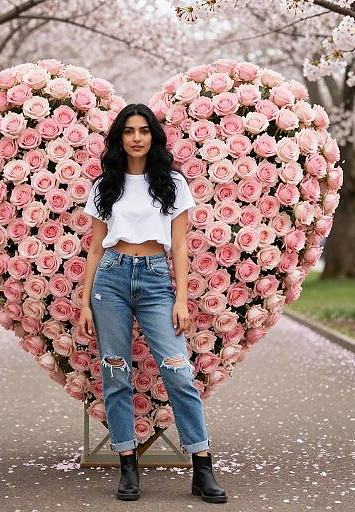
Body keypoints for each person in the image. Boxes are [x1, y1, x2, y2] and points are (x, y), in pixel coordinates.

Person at [79, 103, 228, 503]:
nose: (137, 137)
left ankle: (202, 466)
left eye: (144, 130)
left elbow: (179, 245)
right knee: (115, 373)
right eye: (129, 131)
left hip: (156, 280)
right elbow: (94, 248)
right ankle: (128, 465)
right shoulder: (104, 186)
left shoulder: (172, 184)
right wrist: (83, 303)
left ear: (153, 136)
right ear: (119, 138)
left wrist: (182, 297)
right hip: (109, 280)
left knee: (178, 372)